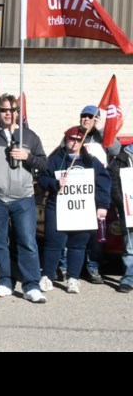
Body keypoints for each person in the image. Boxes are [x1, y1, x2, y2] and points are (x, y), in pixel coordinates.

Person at [0, 94, 48, 303]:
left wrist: (27, 157)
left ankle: (31, 285)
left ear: (18, 113)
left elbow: (44, 164)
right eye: (3, 110)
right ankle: (5, 281)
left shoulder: (29, 136)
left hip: (23, 197)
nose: (8, 114)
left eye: (12, 110)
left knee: (27, 242)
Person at [38, 126, 110, 294]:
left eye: (79, 140)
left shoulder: (91, 161)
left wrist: (102, 206)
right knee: (53, 244)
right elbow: (41, 178)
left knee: (78, 245)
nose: (75, 142)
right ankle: (47, 276)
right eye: (72, 139)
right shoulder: (55, 159)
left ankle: (73, 278)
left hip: (82, 208)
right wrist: (55, 184)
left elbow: (103, 183)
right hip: (57, 207)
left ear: (83, 141)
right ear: (66, 139)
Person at [76, 104, 119, 285]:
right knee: (75, 232)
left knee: (95, 234)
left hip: (97, 193)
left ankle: (93, 267)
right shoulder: (73, 135)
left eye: (90, 116)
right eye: (83, 115)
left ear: (97, 119)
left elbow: (116, 150)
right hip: (77, 193)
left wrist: (102, 129)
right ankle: (72, 268)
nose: (86, 118)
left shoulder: (104, 137)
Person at [109, 143, 133, 293]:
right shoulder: (121, 158)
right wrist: (122, 203)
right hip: (129, 208)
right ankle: (129, 278)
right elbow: (114, 183)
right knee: (130, 247)